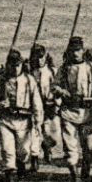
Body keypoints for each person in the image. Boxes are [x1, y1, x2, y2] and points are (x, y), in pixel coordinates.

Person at [51, 37, 92, 182]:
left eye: (78, 50)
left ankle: (86, 168)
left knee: (89, 146)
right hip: (69, 112)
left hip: (88, 113)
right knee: (70, 147)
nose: (75, 53)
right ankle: (73, 175)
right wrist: (60, 91)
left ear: (83, 51)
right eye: (72, 50)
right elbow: (54, 86)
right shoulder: (63, 69)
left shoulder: (91, 68)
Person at [0, 49, 44, 182]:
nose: (15, 68)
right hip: (6, 120)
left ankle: (21, 164)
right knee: (8, 150)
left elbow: (37, 102)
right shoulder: (0, 80)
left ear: (21, 65)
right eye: (12, 65)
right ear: (7, 65)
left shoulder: (29, 80)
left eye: (18, 65)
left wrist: (38, 121)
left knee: (23, 151)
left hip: (24, 121)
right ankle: (9, 181)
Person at [26, 42, 60, 171]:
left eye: (41, 57)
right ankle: (35, 159)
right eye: (36, 57)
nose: (39, 60)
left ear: (45, 57)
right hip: (34, 107)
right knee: (34, 132)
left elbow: (58, 88)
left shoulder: (52, 71)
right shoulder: (28, 72)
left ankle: (47, 146)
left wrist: (57, 102)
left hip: (49, 106)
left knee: (52, 135)